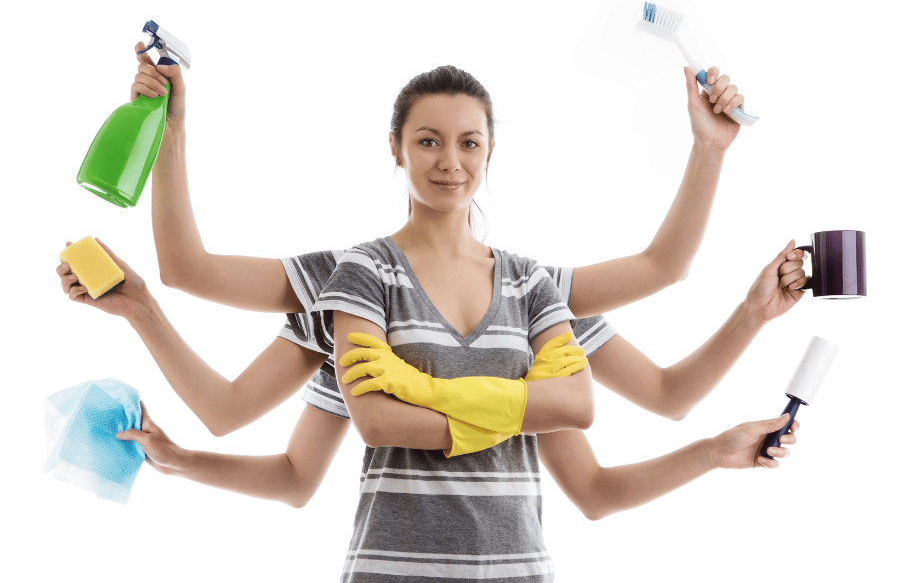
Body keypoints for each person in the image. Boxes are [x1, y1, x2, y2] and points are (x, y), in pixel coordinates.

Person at [58, 60, 801, 581]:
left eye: (469, 141)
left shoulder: (533, 292)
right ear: (396, 148)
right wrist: (172, 130)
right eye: (428, 140)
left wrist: (745, 309)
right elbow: (199, 303)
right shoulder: (352, 282)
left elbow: (651, 381)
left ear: (491, 152)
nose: (450, 161)